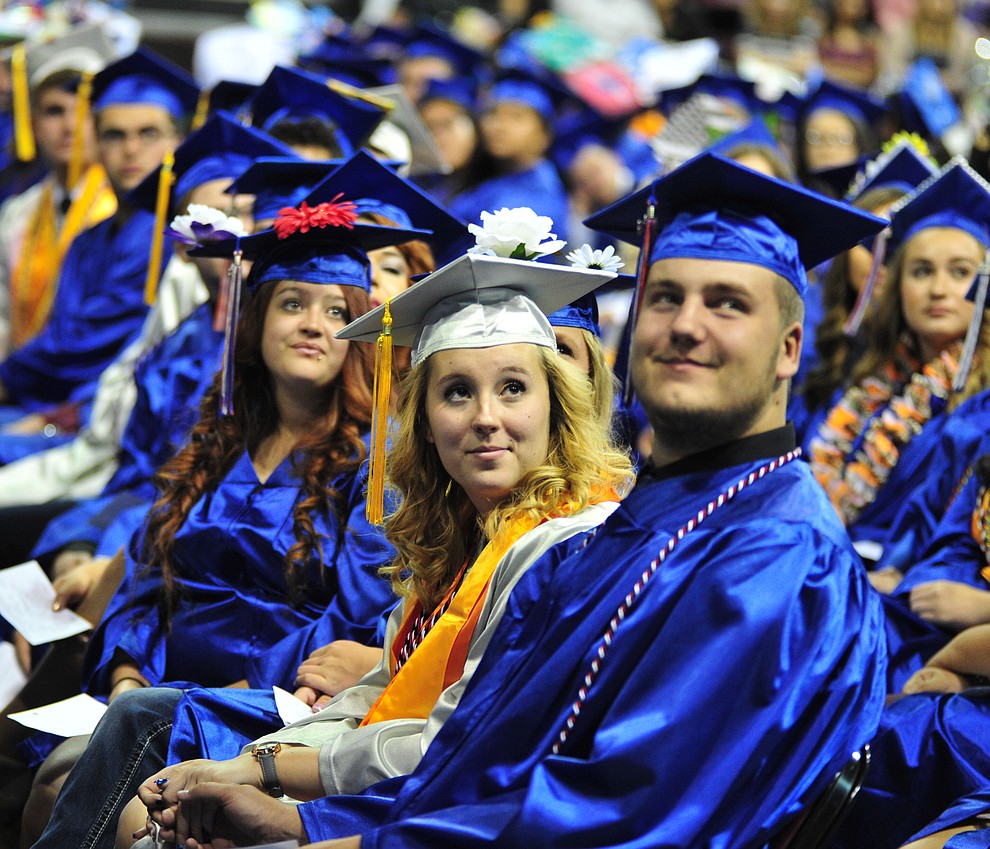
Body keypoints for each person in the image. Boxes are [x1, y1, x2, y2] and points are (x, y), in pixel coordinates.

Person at [137, 151, 887, 849]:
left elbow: (614, 816)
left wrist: (324, 836)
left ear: (790, 347)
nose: (685, 324)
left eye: (726, 303)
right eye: (664, 296)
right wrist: (304, 815)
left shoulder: (773, 557)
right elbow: (485, 752)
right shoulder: (658, 515)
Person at [0, 47, 196, 416]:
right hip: (54, 402)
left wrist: (10, 382)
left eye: (149, 133)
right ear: (96, 142)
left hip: (116, 415)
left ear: (177, 142)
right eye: (114, 135)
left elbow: (90, 341)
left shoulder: (175, 240)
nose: (131, 149)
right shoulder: (87, 240)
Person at [808, 158, 990, 552]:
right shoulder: (868, 382)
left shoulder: (983, 404)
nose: (938, 289)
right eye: (922, 271)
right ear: (897, 285)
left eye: (960, 273)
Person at [0, 26, 117, 360]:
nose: (70, 126)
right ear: (33, 123)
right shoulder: (17, 212)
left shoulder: (124, 213)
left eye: (83, 110)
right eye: (54, 111)